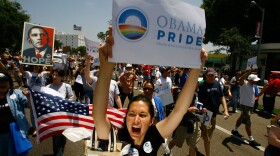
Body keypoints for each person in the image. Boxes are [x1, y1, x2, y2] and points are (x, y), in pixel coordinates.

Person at [92, 27, 207, 155]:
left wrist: (197, 67)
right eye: (131, 114)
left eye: (142, 115)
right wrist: (107, 65)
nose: (136, 120)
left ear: (152, 120)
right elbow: (99, 116)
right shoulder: (118, 136)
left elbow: (179, 111)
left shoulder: (154, 135)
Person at [197, 67, 229, 156]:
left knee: (207, 133)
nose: (211, 77)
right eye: (209, 75)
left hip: (214, 115)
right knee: (207, 138)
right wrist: (202, 110)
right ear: (206, 76)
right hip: (206, 114)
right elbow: (198, 101)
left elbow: (222, 97)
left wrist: (226, 110)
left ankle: (196, 139)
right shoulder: (202, 86)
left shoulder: (217, 84)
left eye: (213, 75)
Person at [0, 72, 31, 156]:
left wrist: (28, 97)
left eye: (4, 81)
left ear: (9, 83)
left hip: (16, 132)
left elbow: (30, 106)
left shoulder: (16, 93)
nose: (2, 84)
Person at [46, 69, 75, 156]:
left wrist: (65, 101)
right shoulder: (47, 87)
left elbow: (72, 97)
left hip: (64, 116)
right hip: (53, 117)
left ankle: (61, 150)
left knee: (63, 136)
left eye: (57, 75)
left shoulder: (67, 86)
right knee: (56, 138)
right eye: (53, 75)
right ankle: (58, 153)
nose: (54, 77)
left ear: (61, 77)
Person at [231, 68, 261, 147]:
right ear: (250, 80)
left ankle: (235, 130)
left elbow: (257, 95)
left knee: (241, 118)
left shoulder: (253, 86)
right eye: (255, 80)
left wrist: (265, 87)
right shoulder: (244, 83)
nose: (256, 81)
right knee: (248, 122)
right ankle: (251, 140)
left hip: (249, 106)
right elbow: (241, 79)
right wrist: (249, 72)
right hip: (244, 105)